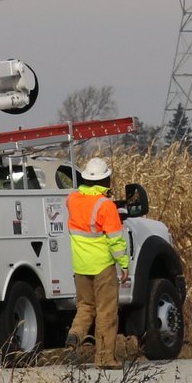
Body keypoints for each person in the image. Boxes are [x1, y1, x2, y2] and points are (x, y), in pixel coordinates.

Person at [65, 155, 132, 367]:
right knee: (106, 311)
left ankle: (75, 335)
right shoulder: (106, 206)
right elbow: (116, 240)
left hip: (80, 266)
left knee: (85, 307)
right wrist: (124, 265)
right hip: (102, 266)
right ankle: (104, 358)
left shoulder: (72, 200)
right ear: (105, 181)